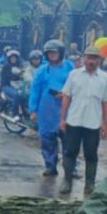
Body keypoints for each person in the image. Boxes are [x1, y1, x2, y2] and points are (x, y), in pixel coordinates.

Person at [58, 44, 107, 198]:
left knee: (91, 154)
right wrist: (62, 119)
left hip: (93, 123)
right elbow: (66, 97)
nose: (91, 61)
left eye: (94, 58)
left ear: (99, 60)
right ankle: (67, 181)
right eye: (89, 57)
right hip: (74, 121)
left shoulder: (104, 78)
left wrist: (105, 123)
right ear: (84, 58)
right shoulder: (74, 75)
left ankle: (90, 184)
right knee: (70, 152)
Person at [28, 40, 75, 177]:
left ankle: (71, 168)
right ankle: (50, 165)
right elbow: (35, 90)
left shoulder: (69, 68)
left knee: (69, 140)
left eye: (54, 52)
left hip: (66, 109)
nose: (52, 55)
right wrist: (33, 110)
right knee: (47, 139)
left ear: (60, 52)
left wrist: (66, 93)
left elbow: (76, 85)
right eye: (49, 53)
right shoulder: (42, 70)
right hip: (46, 109)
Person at [0, 49, 26, 116]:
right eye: (12, 57)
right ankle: (13, 112)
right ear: (9, 58)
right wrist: (19, 75)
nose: (13, 59)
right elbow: (10, 76)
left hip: (17, 85)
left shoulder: (20, 65)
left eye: (15, 57)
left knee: (26, 95)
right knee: (17, 95)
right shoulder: (6, 67)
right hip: (7, 85)